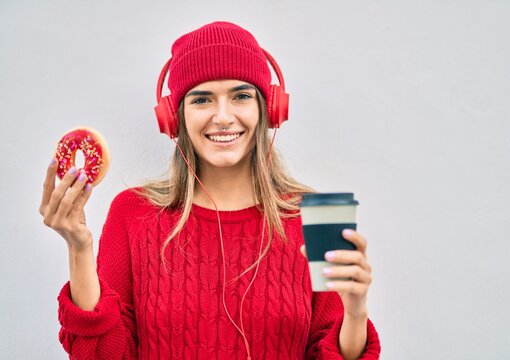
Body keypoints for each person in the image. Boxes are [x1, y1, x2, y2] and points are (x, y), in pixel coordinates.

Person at [40, 21, 381, 359]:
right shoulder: (131, 212)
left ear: (269, 108)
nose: (222, 116)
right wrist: (78, 249)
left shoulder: (318, 217)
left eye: (241, 96)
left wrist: (356, 313)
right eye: (202, 99)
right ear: (175, 119)